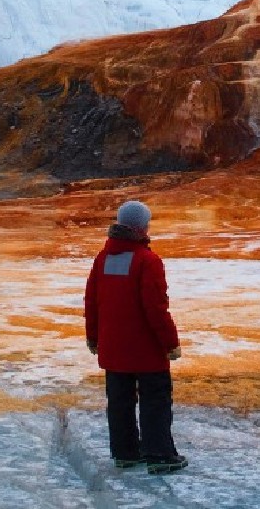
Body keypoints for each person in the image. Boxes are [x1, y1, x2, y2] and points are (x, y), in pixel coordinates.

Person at [84, 200, 187, 475]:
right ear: (142, 227)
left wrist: (93, 337)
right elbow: (155, 307)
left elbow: (92, 302)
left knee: (119, 402)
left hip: (114, 348)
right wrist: (170, 343)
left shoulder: (103, 259)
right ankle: (160, 455)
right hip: (145, 350)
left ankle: (126, 453)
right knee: (155, 400)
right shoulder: (147, 260)